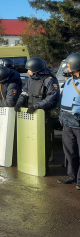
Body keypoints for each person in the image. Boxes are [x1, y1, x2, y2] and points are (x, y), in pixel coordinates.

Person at [15, 57, 60, 170]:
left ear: (35, 69)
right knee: (31, 139)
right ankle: (31, 161)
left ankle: (44, 164)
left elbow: (52, 98)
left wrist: (37, 106)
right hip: (31, 114)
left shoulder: (50, 80)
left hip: (44, 115)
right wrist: (19, 103)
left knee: (45, 141)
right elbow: (25, 92)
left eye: (29, 69)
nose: (27, 71)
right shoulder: (31, 79)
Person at [58, 53, 80, 189]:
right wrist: (61, 117)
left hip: (78, 122)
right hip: (67, 122)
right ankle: (72, 176)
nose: (67, 66)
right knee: (70, 151)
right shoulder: (67, 81)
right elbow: (63, 100)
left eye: (69, 64)